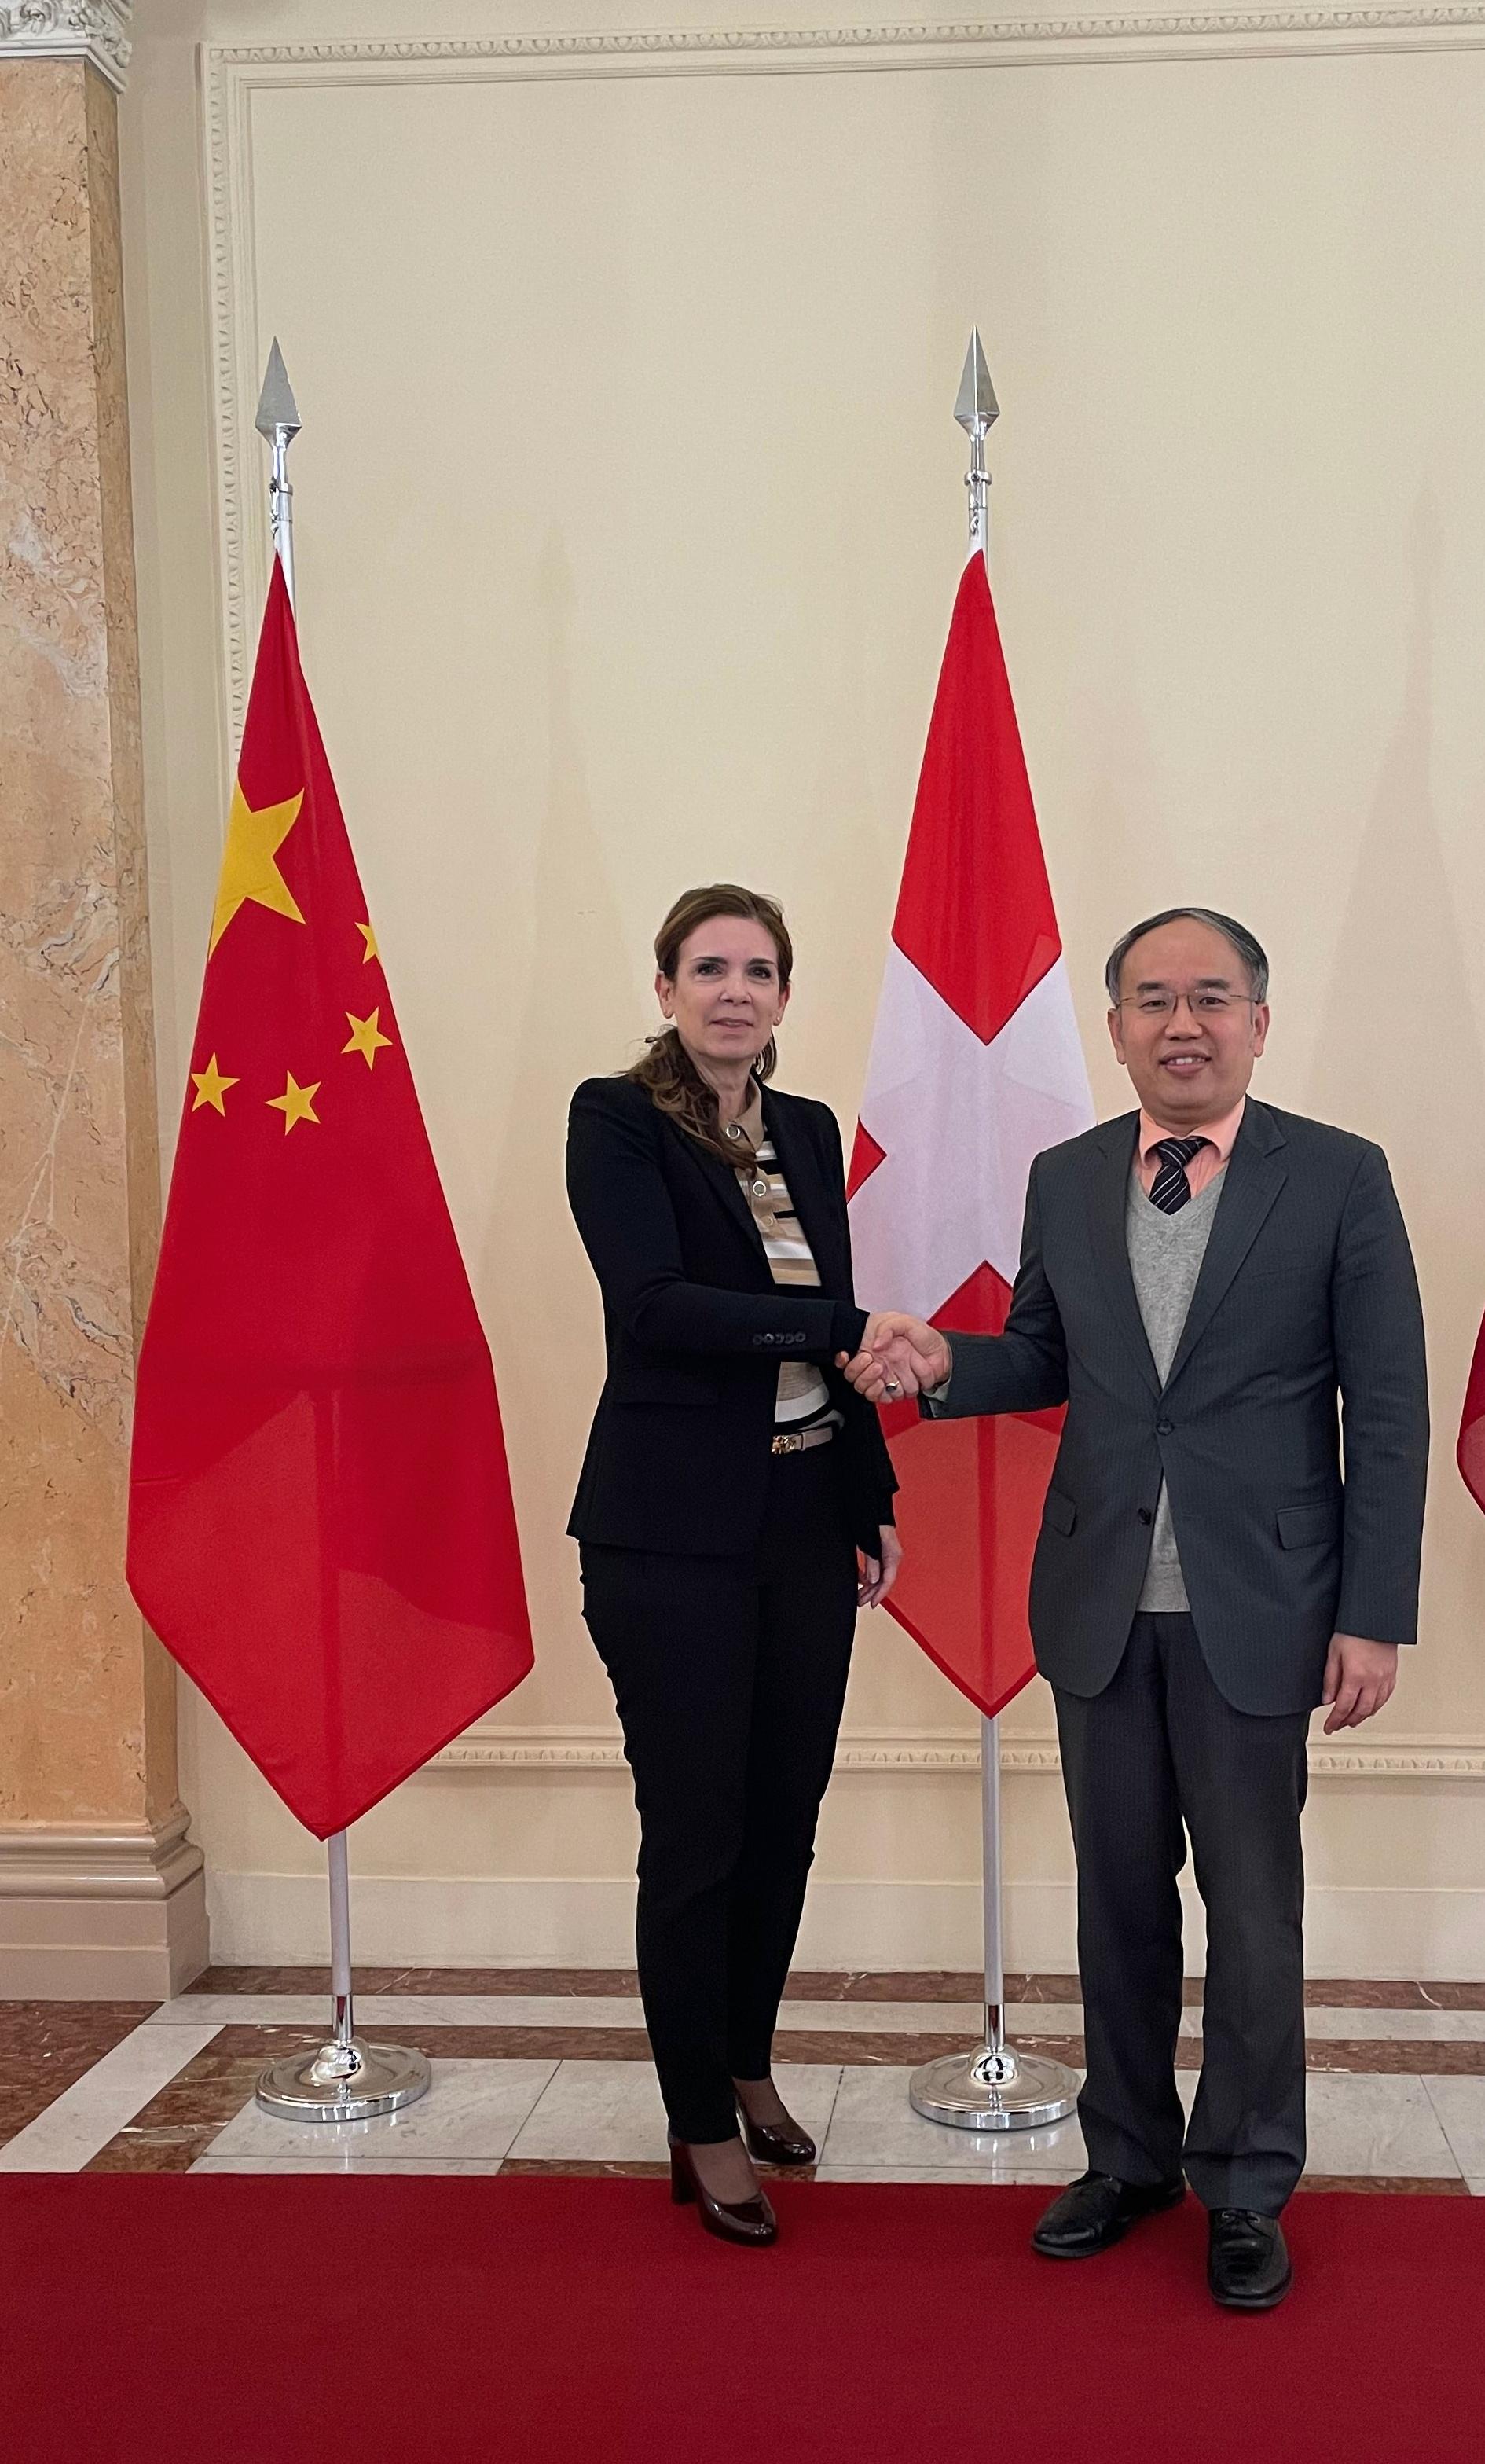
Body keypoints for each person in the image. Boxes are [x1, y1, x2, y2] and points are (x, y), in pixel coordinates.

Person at [840, 907, 1428, 2310]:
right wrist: (940, 1363)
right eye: (1152, 1000)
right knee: (1115, 1906)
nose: (1182, 1023)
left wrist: (1373, 1612)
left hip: (1263, 1604)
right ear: (1112, 1028)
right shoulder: (1068, 1174)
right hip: (1099, 1599)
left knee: (1253, 1911)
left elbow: (1389, 1409)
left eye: (1210, 998)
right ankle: (1129, 2160)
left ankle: (1242, 2184)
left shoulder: (1338, 1177)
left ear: (1257, 1021)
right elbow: (1044, 1351)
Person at [566, 883, 904, 2246]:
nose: (733, 992)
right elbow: (655, 1310)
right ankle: (697, 2119)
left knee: (784, 1817)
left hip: (805, 1520)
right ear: (665, 990)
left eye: (758, 971)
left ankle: (747, 2059)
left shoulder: (808, 1130)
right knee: (696, 1835)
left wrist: (869, 1489)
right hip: (668, 1538)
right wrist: (836, 1318)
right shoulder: (618, 1118)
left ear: (781, 996)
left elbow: (832, 1331)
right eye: (707, 969)